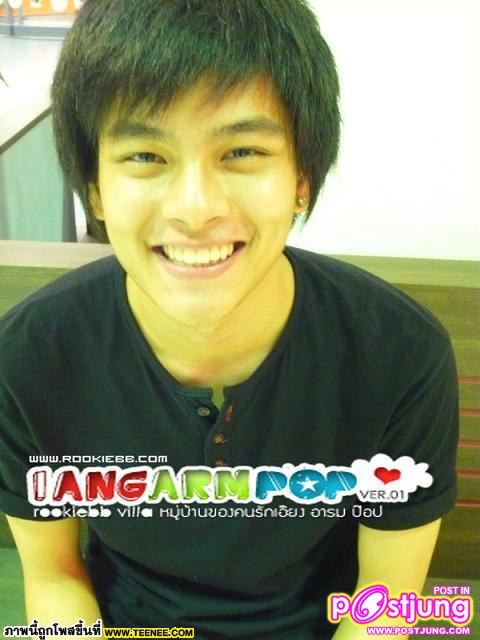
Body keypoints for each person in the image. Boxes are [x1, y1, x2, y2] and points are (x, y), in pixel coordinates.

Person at [0, 1, 458, 638]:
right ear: (96, 189)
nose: (195, 208)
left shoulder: (399, 355)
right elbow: (53, 577)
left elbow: (387, 597)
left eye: (242, 151)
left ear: (301, 178)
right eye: (145, 156)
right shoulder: (29, 357)